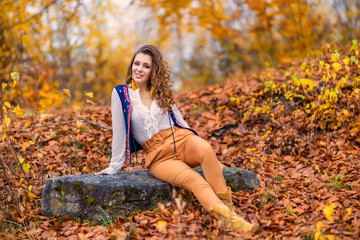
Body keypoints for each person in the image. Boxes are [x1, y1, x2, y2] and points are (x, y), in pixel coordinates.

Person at [95, 45, 259, 233]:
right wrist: (114, 166)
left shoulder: (160, 91)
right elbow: (119, 131)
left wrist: (212, 160)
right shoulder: (122, 94)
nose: (139, 69)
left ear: (153, 70)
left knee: (205, 149)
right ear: (131, 66)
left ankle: (231, 215)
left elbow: (180, 121)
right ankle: (232, 222)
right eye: (136, 63)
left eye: (146, 66)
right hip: (159, 157)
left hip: (180, 139)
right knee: (195, 180)